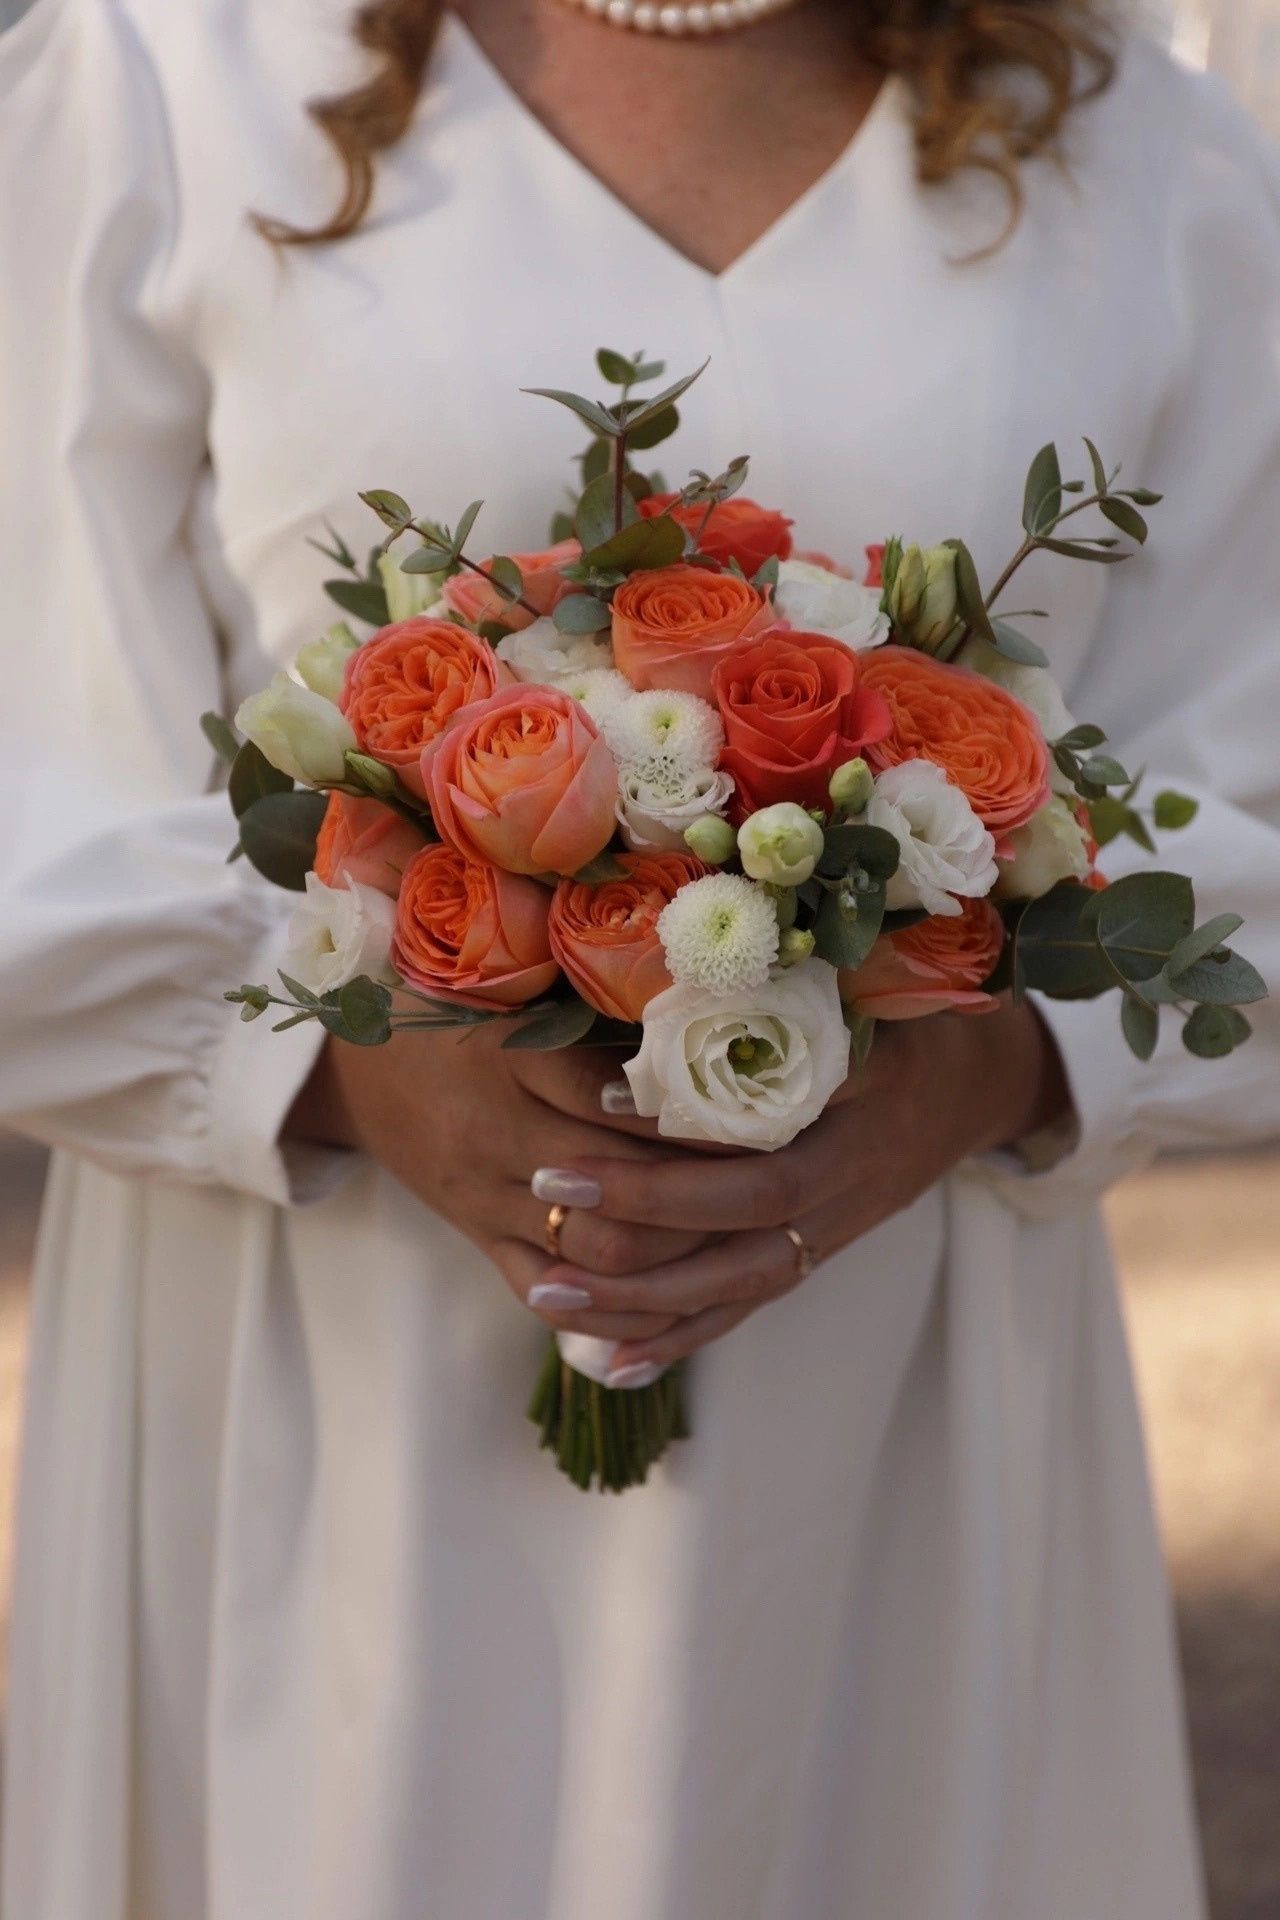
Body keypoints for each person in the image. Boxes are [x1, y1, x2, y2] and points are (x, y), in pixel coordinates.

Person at [2, 0, 1278, 1914]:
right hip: (311, 1370)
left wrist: (990, 1066)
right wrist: (341, 1063)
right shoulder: (158, 81)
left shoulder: (1141, 158)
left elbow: (1241, 771)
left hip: (897, 1391)